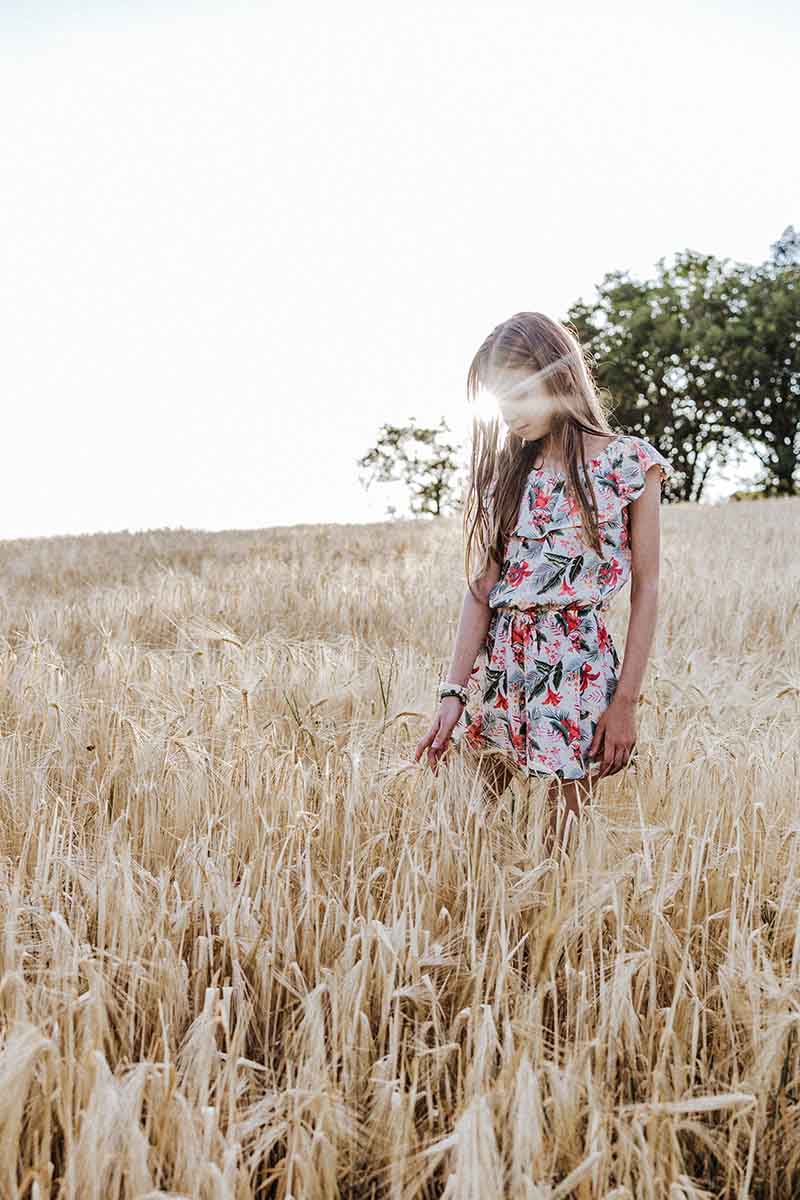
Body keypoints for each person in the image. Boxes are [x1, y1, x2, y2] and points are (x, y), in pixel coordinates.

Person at [414, 311, 674, 855]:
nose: (508, 416)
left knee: (562, 848)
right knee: (476, 840)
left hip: (575, 669)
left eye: (518, 396)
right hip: (501, 667)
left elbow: (647, 587)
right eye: (498, 401)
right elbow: (481, 589)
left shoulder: (630, 463)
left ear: (557, 377)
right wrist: (452, 693)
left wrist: (625, 701)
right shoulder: (510, 472)